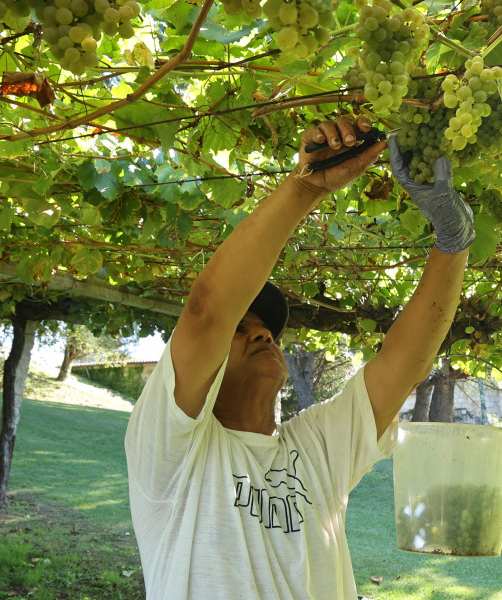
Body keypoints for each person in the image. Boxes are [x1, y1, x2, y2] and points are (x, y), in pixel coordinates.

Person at [124, 117, 475, 599]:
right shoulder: (172, 448)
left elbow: (404, 365)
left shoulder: (313, 449)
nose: (263, 334)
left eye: (265, 328)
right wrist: (305, 190)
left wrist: (452, 243)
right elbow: (206, 313)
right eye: (242, 328)